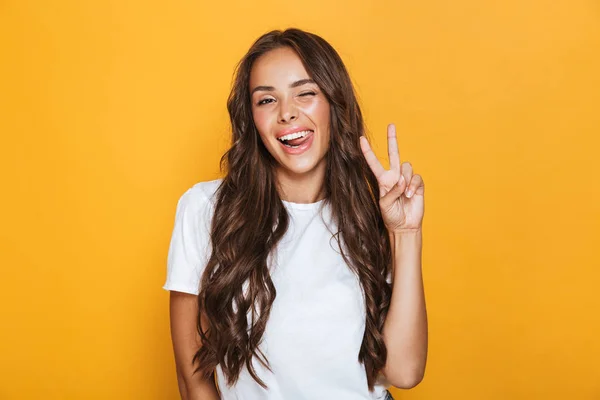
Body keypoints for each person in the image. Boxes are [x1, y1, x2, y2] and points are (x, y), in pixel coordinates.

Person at [163, 28, 427, 400]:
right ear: (251, 118)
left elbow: (404, 370)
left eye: (306, 93)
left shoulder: (370, 217)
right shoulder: (205, 210)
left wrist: (406, 233)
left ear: (334, 104)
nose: (287, 113)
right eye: (267, 100)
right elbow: (193, 377)